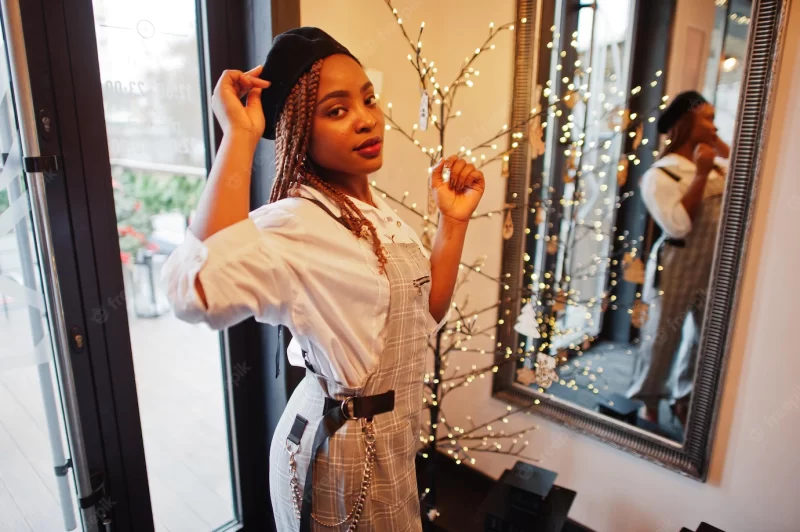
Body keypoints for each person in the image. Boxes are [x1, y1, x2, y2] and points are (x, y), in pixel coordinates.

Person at [161, 27, 485, 531]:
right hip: (340, 450)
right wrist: (240, 137)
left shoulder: (377, 216)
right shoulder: (298, 220)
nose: (366, 119)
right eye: (337, 110)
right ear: (298, 131)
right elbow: (196, 290)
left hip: (391, 440)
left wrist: (454, 221)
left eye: (368, 100)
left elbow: (422, 319)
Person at [626, 91, 729, 427]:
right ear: (686, 122)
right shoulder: (661, 175)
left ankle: (684, 398)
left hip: (714, 265)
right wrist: (700, 175)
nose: (714, 126)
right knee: (661, 337)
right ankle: (649, 399)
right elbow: (678, 225)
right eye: (707, 118)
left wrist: (721, 155)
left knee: (704, 338)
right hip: (677, 264)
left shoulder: (718, 164)